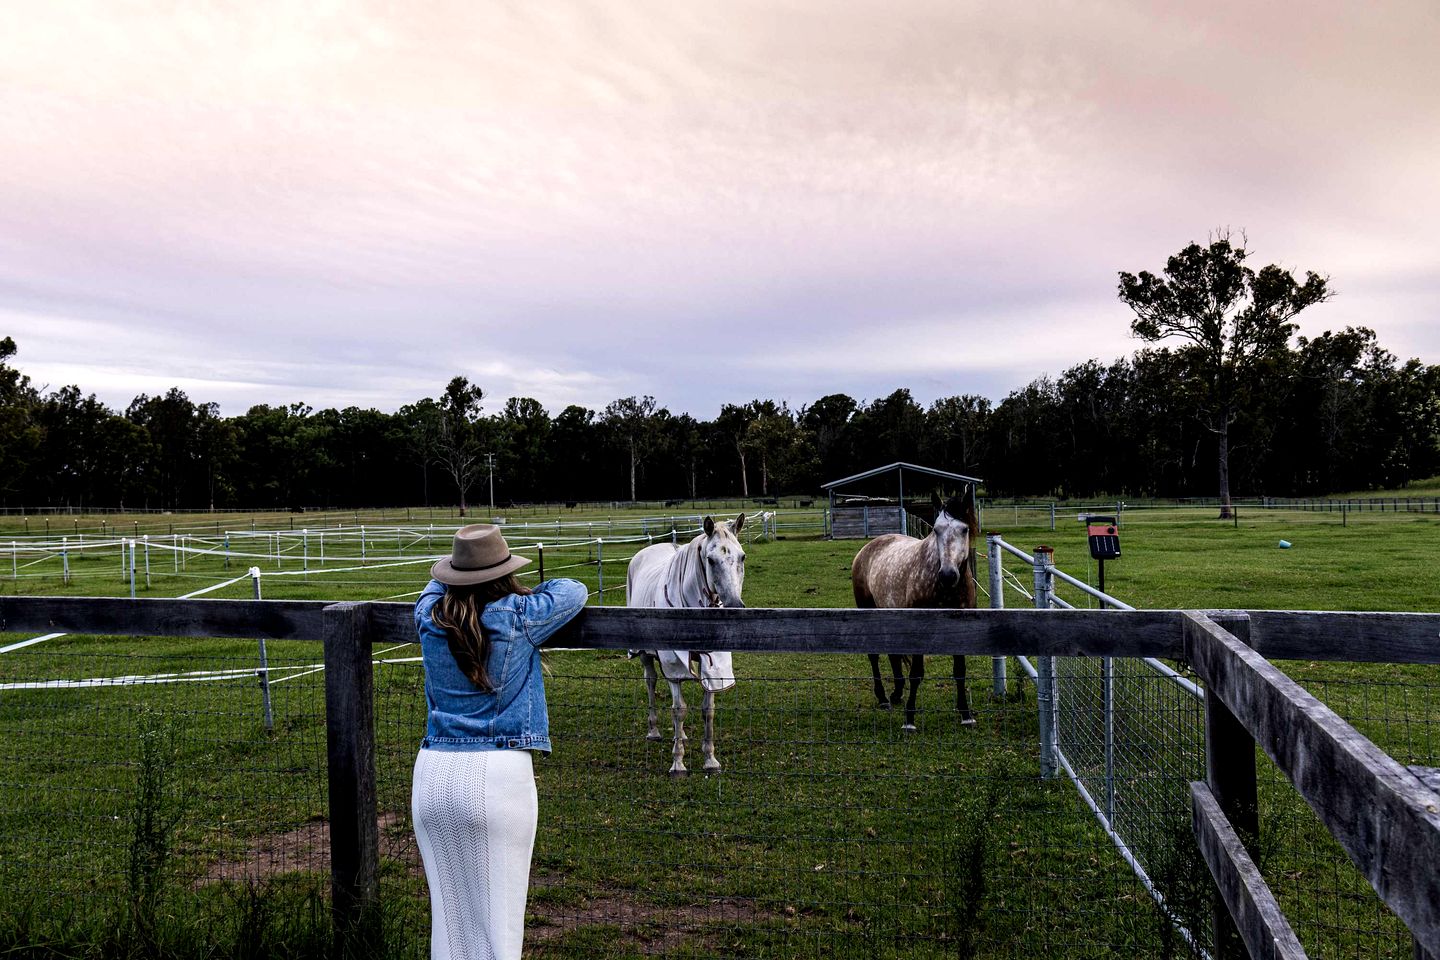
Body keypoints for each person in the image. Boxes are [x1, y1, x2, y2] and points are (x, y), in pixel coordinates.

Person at [412, 523, 587, 960]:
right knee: (500, 931)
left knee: (450, 926)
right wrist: (513, 583)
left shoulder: (430, 616)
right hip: (496, 777)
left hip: (433, 775)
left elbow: (434, 586)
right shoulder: (519, 615)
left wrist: (457, 568)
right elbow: (573, 590)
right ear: (504, 574)